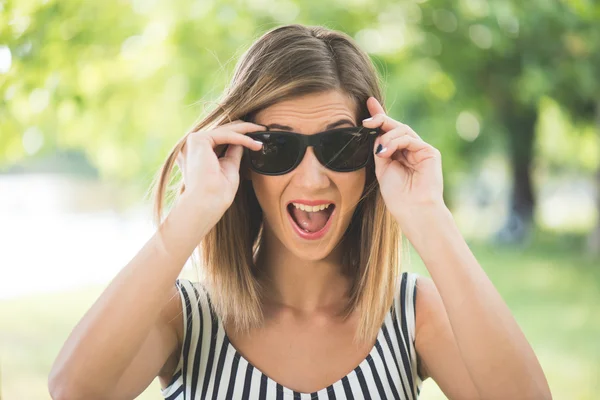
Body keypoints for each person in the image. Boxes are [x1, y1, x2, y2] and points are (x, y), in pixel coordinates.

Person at [48, 24, 551, 400]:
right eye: (278, 148)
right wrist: (193, 212)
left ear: (372, 154)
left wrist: (429, 216)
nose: (312, 179)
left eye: (339, 146)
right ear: (242, 160)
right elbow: (74, 389)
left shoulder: (410, 315)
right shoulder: (186, 317)